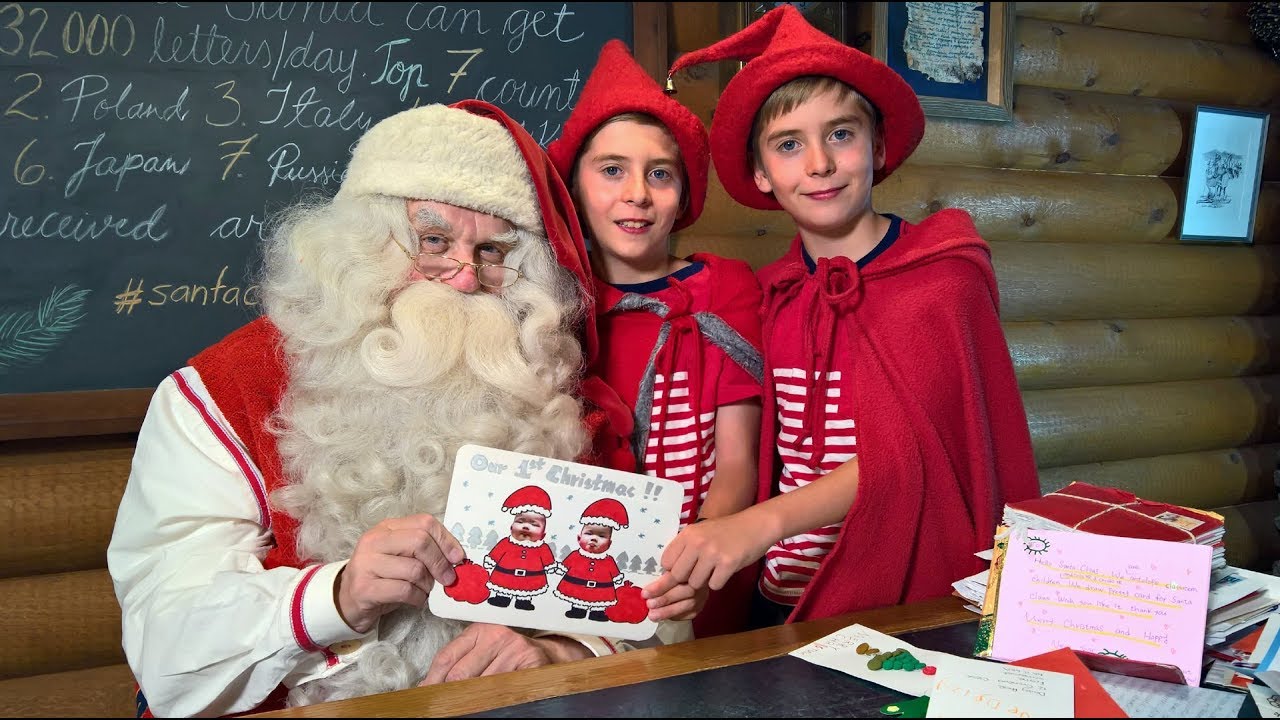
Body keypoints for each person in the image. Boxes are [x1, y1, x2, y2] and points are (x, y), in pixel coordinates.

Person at [107, 100, 696, 717]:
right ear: (357, 247)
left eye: (493, 252)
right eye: (433, 240)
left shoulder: (545, 391)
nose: (466, 277)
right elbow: (165, 644)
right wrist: (335, 595)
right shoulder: (219, 395)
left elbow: (628, 609)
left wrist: (556, 653)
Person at [644, 5, 1040, 626]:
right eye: (788, 145)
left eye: (840, 134)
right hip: (784, 599)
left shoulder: (940, 279)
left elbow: (912, 451)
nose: (819, 164)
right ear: (761, 172)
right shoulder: (773, 294)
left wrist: (760, 524)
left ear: (877, 145)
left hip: (906, 596)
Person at [546, 40, 764, 637]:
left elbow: (737, 462)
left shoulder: (723, 292)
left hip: (701, 573)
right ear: (574, 185)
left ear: (685, 195)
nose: (637, 193)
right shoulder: (552, 303)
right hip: (574, 574)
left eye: (659, 174)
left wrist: (692, 565)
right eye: (612, 170)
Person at [552, 498, 630, 621]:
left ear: (609, 543)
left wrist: (616, 578)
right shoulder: (575, 555)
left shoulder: (608, 560)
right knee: (577, 599)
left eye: (601, 536)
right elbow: (565, 567)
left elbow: (614, 574)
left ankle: (597, 612)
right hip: (577, 586)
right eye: (589, 533)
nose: (594, 539)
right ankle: (577, 610)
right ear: (579, 538)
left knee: (599, 602)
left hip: (601, 589)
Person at [484, 486, 558, 610]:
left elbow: (548, 561)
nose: (526, 526)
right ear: (511, 527)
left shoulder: (542, 548)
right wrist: (491, 561)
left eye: (534, 524)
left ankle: (523, 602)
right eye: (520, 521)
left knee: (526, 592)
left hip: (531, 578)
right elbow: (496, 554)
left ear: (543, 534)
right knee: (503, 589)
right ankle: (502, 598)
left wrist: (550, 567)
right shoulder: (506, 543)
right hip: (505, 576)